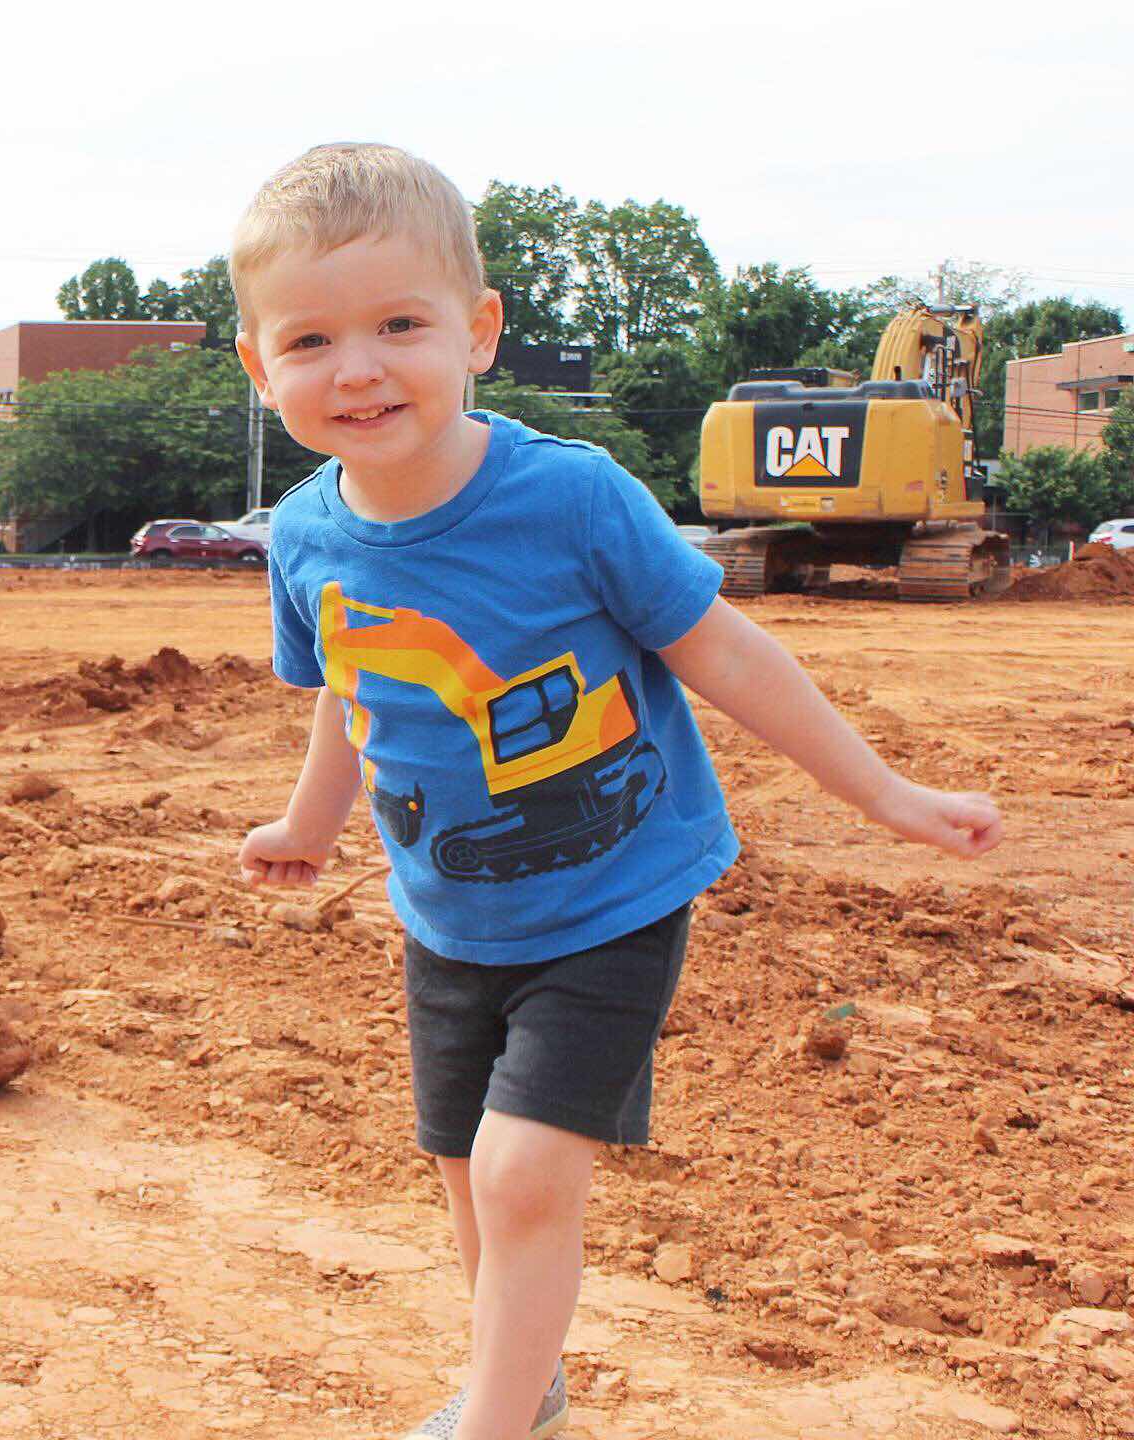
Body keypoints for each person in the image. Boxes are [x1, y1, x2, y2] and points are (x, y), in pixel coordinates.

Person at [230, 142, 1002, 1440]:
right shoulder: (305, 535)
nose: (357, 368)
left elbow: (726, 653)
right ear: (261, 370)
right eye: (310, 341)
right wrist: (310, 824)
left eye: (400, 325)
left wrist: (884, 794)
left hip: (611, 899)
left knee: (524, 1170)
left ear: (479, 332)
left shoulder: (572, 499)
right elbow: (353, 689)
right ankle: (522, 1391)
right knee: (466, 1173)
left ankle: (491, 1425)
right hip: (447, 917)